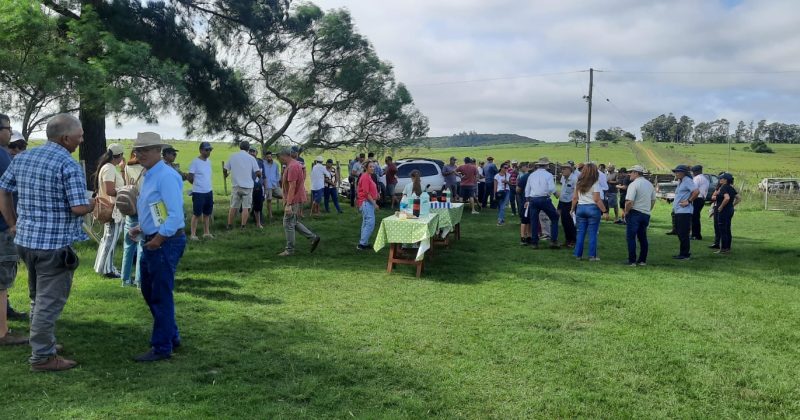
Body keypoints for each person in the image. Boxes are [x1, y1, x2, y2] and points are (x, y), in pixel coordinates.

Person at [0, 113, 95, 371]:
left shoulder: (23, 158)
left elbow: (4, 189)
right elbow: (78, 208)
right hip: (53, 246)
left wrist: (12, 223)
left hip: (25, 241)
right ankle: (42, 357)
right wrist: (93, 203)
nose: (82, 140)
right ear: (65, 138)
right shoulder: (68, 164)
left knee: (37, 297)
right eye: (79, 136)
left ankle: (42, 342)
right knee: (48, 302)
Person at [126, 132, 186, 362]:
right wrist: (142, 227)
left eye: (145, 150)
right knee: (150, 290)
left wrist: (158, 239)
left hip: (164, 242)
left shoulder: (166, 176)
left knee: (159, 294)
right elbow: (156, 208)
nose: (139, 154)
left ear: (157, 150)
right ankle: (170, 335)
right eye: (137, 151)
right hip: (155, 239)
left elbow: (175, 215)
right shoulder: (150, 174)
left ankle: (162, 346)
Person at [0, 114, 27, 346]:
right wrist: (12, 223)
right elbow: (4, 192)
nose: (10, 132)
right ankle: (2, 332)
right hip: (2, 228)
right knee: (2, 281)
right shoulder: (2, 157)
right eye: (8, 128)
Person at [278, 149, 320, 256]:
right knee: (294, 222)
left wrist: (288, 204)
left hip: (294, 199)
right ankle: (313, 238)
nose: (279, 160)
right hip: (296, 198)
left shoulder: (292, 166)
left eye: (279, 157)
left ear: (284, 156)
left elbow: (292, 186)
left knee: (288, 223)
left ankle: (289, 250)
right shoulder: (294, 164)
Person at [93, 143, 125, 278]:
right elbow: (110, 190)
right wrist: (125, 190)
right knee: (111, 239)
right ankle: (108, 269)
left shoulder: (107, 167)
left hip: (110, 207)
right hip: (113, 209)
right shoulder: (110, 168)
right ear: (119, 155)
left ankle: (102, 266)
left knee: (107, 238)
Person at [571, 162, 608, 261]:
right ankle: (592, 256)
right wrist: (604, 211)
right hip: (592, 208)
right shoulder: (595, 183)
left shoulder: (579, 182)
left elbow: (575, 198)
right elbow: (597, 199)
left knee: (580, 233)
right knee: (593, 233)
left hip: (580, 208)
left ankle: (578, 255)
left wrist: (572, 209)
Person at [622, 165, 656, 266]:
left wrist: (626, 212)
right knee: (642, 237)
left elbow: (629, 201)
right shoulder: (649, 184)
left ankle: (632, 260)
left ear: (636, 173)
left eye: (631, 172)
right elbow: (653, 200)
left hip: (634, 213)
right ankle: (642, 260)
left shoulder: (634, 184)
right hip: (645, 214)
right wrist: (647, 209)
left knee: (631, 237)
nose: (629, 174)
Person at [524, 157, 560, 249]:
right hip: (544, 199)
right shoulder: (549, 175)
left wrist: (527, 200)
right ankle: (553, 241)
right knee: (555, 217)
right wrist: (555, 194)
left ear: (538, 165)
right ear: (547, 165)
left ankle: (534, 242)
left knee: (534, 221)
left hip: (533, 199)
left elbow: (527, 189)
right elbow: (551, 188)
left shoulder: (532, 175)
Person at [224, 141, 261, 230]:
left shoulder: (232, 156)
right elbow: (258, 172)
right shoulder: (251, 158)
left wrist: (226, 175)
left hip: (236, 185)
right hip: (248, 186)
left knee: (233, 206)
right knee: (246, 207)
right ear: (248, 148)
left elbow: (225, 169)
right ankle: (243, 226)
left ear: (240, 147)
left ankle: (229, 225)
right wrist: (258, 177)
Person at [121, 150, 145, 287]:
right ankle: (139, 280)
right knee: (141, 245)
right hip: (141, 206)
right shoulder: (146, 168)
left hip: (130, 205)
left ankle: (125, 279)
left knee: (128, 246)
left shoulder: (127, 167)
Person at [187, 142, 215, 240]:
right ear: (201, 150)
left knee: (207, 213)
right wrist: (197, 185)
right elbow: (190, 177)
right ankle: (193, 234)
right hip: (198, 192)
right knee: (197, 214)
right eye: (207, 150)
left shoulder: (209, 162)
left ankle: (206, 233)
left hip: (209, 191)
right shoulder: (195, 162)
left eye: (210, 150)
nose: (208, 152)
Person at [671, 165, 699, 260]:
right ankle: (683, 253)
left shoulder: (687, 181)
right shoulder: (681, 181)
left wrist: (688, 201)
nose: (676, 173)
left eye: (678, 171)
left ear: (684, 172)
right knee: (680, 232)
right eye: (675, 171)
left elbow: (696, 192)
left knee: (683, 233)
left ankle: (685, 254)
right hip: (679, 211)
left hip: (684, 212)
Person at [713, 173, 739, 254]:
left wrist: (721, 207)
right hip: (730, 210)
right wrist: (732, 205)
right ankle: (728, 248)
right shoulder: (731, 188)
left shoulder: (724, 187)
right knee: (727, 229)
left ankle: (723, 249)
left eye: (721, 178)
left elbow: (727, 198)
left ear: (725, 180)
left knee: (723, 230)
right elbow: (739, 198)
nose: (720, 180)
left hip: (724, 211)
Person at [357, 162, 379, 250]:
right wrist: (374, 204)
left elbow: (370, 189)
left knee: (366, 223)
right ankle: (362, 244)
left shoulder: (368, 176)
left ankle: (364, 243)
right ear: (366, 168)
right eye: (370, 167)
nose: (372, 168)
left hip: (368, 202)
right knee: (370, 223)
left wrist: (376, 194)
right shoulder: (365, 177)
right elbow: (366, 193)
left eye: (373, 166)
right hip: (366, 202)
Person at [556, 163, 578, 248]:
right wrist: (559, 205)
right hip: (563, 202)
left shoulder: (574, 179)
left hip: (571, 203)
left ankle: (573, 241)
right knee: (564, 222)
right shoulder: (563, 178)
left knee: (571, 222)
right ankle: (567, 240)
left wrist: (574, 206)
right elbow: (563, 191)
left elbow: (577, 192)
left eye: (564, 169)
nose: (562, 171)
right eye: (562, 169)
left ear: (570, 170)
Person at [249, 148, 266, 228]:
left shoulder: (260, 162)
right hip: (248, 185)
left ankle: (259, 221)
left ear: (256, 153)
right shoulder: (246, 162)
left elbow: (264, 176)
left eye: (254, 152)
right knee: (247, 204)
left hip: (258, 186)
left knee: (259, 203)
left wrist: (265, 188)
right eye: (251, 152)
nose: (252, 153)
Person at [691, 165, 709, 240]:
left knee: (694, 217)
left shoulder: (697, 178)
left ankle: (696, 235)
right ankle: (696, 234)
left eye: (694, 172)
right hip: (702, 199)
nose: (693, 173)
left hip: (697, 198)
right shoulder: (705, 179)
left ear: (697, 171)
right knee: (696, 216)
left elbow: (693, 189)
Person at [516, 163, 532, 245]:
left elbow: (518, 189)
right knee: (528, 220)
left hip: (525, 200)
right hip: (530, 200)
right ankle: (527, 237)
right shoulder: (530, 177)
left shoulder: (525, 177)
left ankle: (524, 237)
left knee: (525, 219)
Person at [263, 151, 282, 220]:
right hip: (267, 185)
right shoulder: (263, 164)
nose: (269, 158)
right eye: (267, 157)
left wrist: (277, 181)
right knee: (269, 200)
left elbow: (277, 174)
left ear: (272, 157)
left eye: (270, 157)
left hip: (274, 184)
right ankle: (270, 215)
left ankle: (287, 211)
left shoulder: (275, 164)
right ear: (265, 157)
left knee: (282, 195)